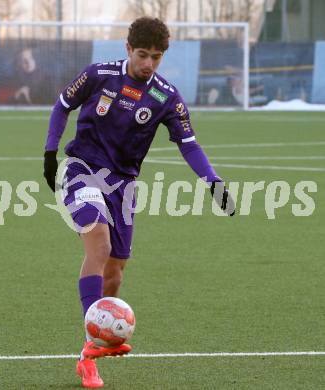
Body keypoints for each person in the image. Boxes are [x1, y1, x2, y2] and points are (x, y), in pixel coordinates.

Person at [44, 17, 235, 389]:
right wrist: (51, 154)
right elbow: (62, 105)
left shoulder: (166, 96)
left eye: (157, 57)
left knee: (115, 272)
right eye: (143, 54)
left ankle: (89, 354)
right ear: (128, 48)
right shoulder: (99, 75)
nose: (148, 63)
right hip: (82, 168)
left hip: (124, 185)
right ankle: (96, 323)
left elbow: (189, 143)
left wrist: (212, 182)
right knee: (99, 241)